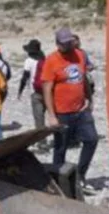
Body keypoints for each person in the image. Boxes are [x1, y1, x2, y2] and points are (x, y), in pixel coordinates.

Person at [42, 28, 98, 190]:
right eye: (65, 43)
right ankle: (57, 181)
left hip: (81, 110)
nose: (68, 45)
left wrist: (89, 98)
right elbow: (47, 89)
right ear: (58, 44)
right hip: (62, 112)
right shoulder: (51, 60)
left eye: (70, 42)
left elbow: (84, 79)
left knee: (91, 139)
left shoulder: (80, 55)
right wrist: (51, 115)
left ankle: (80, 175)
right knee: (61, 148)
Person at [18, 40, 46, 132]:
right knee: (45, 113)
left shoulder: (28, 61)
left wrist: (20, 91)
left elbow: (25, 77)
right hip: (46, 90)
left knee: (39, 117)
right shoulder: (44, 59)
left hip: (35, 91)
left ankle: (42, 141)